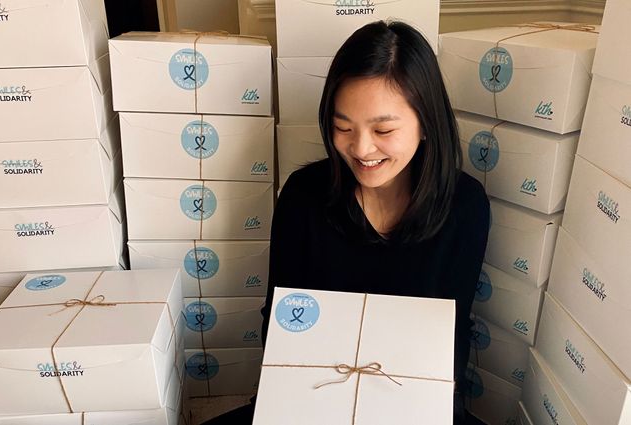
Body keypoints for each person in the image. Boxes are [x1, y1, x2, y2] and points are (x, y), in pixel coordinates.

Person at [203, 20, 489, 425]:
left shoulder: (465, 206)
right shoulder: (303, 196)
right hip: (314, 400)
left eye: (383, 129)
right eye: (343, 127)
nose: (360, 148)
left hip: (410, 405)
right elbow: (281, 323)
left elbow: (452, 339)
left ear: (426, 124)